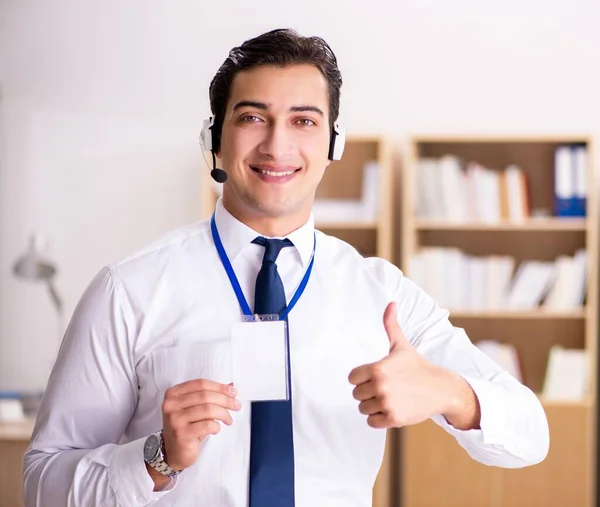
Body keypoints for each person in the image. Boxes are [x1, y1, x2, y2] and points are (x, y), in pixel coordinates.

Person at [23, 28, 549, 507]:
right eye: (253, 117)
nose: (277, 145)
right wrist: (155, 459)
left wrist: (451, 393)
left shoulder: (381, 294)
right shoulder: (129, 290)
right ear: (215, 140)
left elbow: (531, 436)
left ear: (332, 145)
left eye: (304, 121)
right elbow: (41, 483)